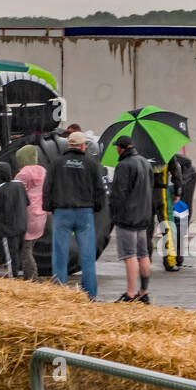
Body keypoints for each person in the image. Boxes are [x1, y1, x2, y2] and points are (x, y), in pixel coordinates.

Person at [42, 129, 106, 299]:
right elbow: (100, 189)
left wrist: (48, 207)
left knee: (60, 255)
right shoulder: (91, 165)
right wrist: (97, 207)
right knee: (87, 256)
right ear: (83, 146)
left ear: (69, 145)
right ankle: (90, 294)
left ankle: (60, 293)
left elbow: (48, 187)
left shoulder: (56, 163)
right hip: (84, 213)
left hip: (62, 212)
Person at [109, 135, 154, 303]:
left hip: (128, 218)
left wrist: (114, 214)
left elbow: (118, 194)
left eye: (116, 147)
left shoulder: (124, 165)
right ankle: (144, 292)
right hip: (144, 216)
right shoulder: (145, 162)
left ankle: (129, 293)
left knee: (130, 255)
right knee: (143, 254)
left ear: (120, 148)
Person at [15, 144, 47, 281]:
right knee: (30, 246)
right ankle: (32, 274)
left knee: (25, 249)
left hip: (27, 215)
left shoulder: (22, 174)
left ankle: (32, 276)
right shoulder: (43, 171)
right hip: (41, 214)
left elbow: (16, 193)